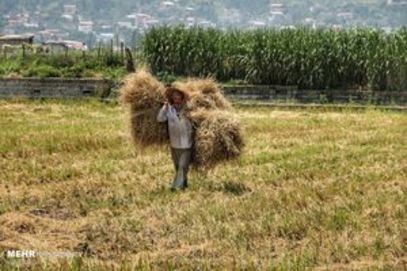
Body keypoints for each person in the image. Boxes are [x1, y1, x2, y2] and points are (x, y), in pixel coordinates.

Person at [157, 87, 193, 190]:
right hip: (174, 143)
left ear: (182, 99)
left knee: (182, 166)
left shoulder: (188, 110)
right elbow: (160, 119)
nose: (176, 100)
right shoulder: (169, 110)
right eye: (174, 98)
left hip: (186, 144)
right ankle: (184, 184)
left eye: (178, 98)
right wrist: (164, 107)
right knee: (178, 167)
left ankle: (175, 187)